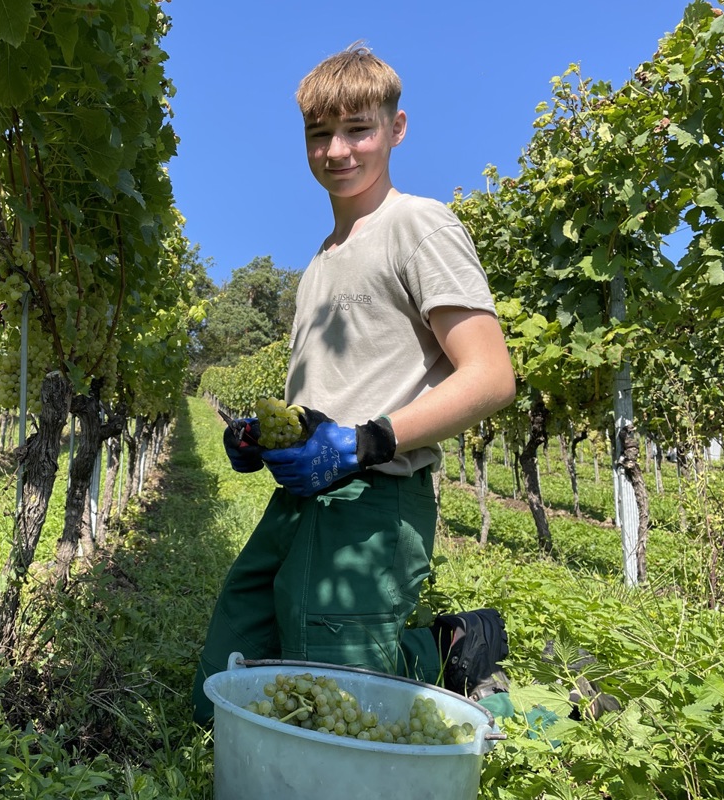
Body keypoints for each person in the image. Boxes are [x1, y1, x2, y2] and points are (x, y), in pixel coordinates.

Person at [192, 44, 517, 724]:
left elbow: (491, 377)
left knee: (341, 710)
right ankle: (431, 646)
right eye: (320, 134)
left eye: (357, 130)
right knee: (219, 695)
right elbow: (336, 390)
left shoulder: (418, 226)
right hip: (298, 502)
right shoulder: (320, 261)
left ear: (396, 129)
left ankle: (452, 651)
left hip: (372, 500)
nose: (337, 150)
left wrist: (368, 441)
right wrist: (259, 440)